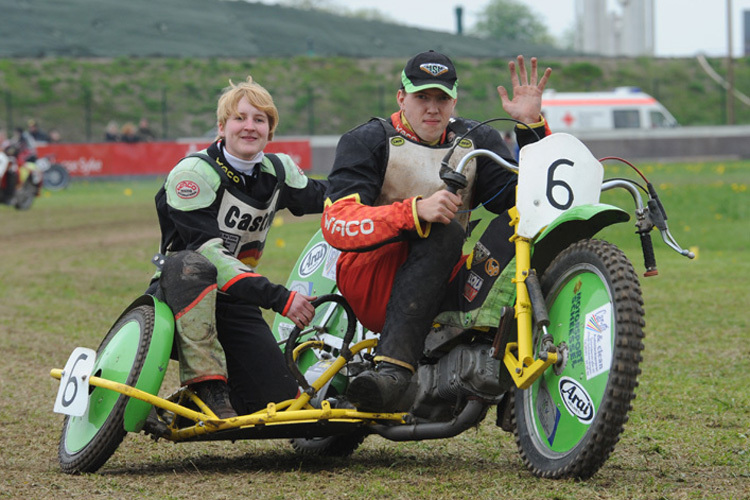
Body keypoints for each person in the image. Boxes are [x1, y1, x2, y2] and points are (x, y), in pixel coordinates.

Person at [321, 50, 552, 412]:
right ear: (401, 97)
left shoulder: (476, 139)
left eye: (442, 98)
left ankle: (507, 362)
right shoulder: (369, 139)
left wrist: (531, 127)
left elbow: (525, 196)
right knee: (443, 227)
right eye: (422, 97)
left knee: (516, 226)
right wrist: (414, 212)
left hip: (439, 274)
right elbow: (338, 223)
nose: (432, 108)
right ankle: (392, 369)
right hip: (371, 275)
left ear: (454, 99)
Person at [147, 76, 328, 418]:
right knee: (193, 264)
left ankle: (186, 408)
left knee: (278, 399)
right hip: (177, 299)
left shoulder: (278, 170)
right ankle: (207, 386)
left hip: (236, 299)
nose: (250, 127)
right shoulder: (194, 173)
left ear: (270, 131)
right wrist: (280, 298)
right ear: (221, 126)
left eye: (260, 120)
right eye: (240, 118)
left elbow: (329, 197)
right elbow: (209, 255)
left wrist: (380, 187)